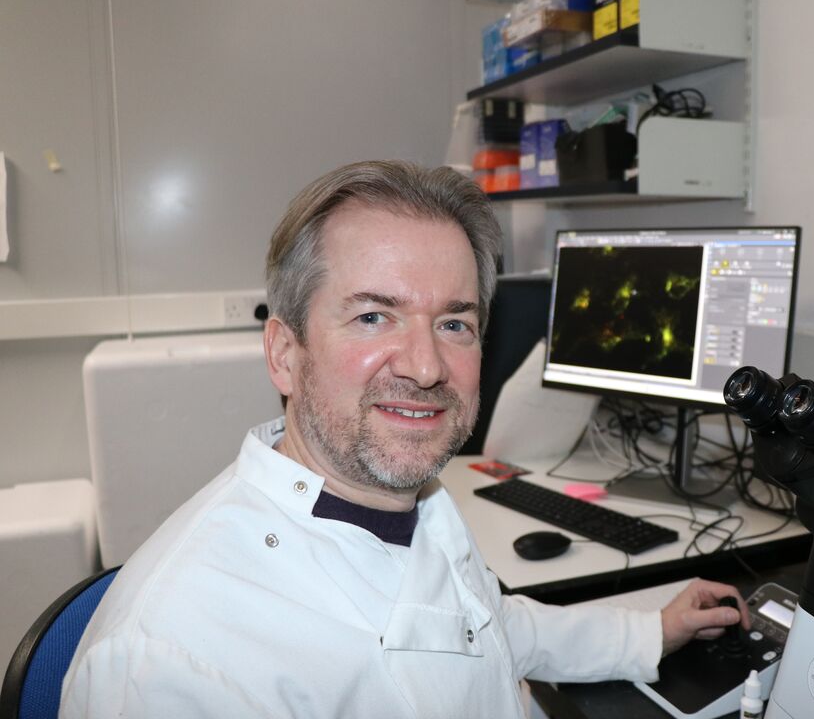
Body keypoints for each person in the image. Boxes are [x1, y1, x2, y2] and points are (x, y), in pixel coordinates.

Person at [60, 160, 751, 718]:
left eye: (455, 324)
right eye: (372, 317)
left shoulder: (404, 498)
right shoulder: (173, 665)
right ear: (284, 353)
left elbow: (482, 624)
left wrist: (648, 632)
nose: (425, 367)